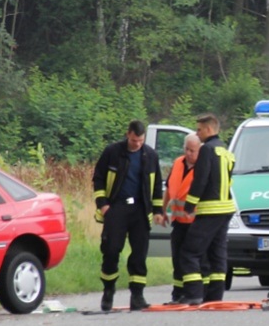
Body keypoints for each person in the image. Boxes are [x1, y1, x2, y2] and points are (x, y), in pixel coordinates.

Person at [92, 120, 165, 311]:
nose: (137, 144)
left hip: (140, 211)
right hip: (116, 209)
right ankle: (108, 292)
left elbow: (157, 184)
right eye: (134, 140)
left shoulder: (150, 155)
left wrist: (157, 211)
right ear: (128, 135)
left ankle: (137, 296)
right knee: (111, 250)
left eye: (140, 140)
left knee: (140, 254)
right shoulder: (113, 152)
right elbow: (98, 177)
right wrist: (103, 205)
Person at [175, 113, 236, 304]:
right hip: (226, 209)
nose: (197, 133)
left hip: (210, 210)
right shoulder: (225, 151)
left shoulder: (207, 150)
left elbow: (200, 179)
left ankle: (193, 295)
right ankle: (214, 297)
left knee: (189, 252)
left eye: (199, 129)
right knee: (217, 254)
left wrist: (190, 205)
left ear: (209, 129)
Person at [164, 133, 203, 302]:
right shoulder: (177, 163)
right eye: (187, 149)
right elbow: (169, 189)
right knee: (177, 259)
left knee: (190, 259)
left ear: (199, 150)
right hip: (178, 221)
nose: (189, 153)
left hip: (196, 222)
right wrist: (162, 210)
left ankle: (191, 293)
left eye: (192, 150)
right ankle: (177, 293)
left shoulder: (203, 167)